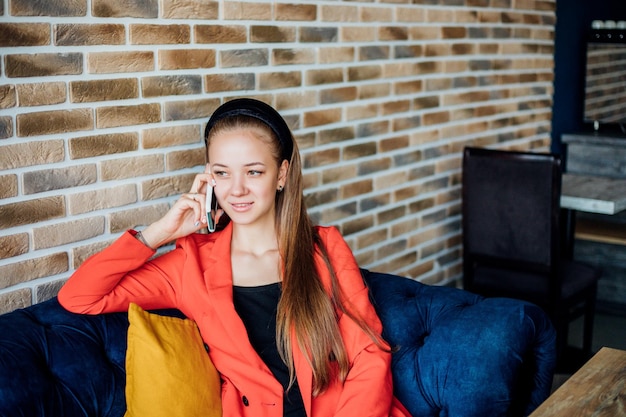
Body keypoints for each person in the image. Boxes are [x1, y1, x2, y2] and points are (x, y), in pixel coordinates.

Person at [58, 98, 410, 417]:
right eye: (222, 173)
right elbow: (80, 297)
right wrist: (159, 233)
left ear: (282, 175)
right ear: (208, 178)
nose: (236, 189)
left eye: (253, 171)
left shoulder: (323, 248)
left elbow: (369, 353)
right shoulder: (189, 264)